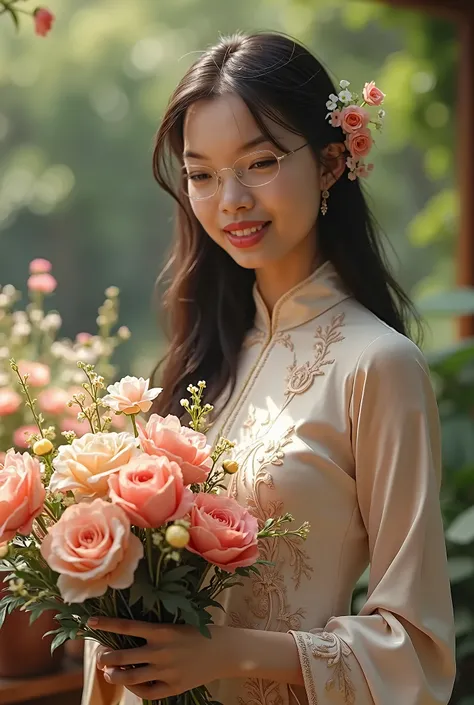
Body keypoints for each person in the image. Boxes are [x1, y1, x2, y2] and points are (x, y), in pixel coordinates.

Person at [82, 30, 456, 705]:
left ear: (333, 163)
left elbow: (418, 651)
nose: (230, 200)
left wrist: (231, 652)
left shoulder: (379, 366)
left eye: (258, 162)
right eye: (201, 174)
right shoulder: (200, 359)